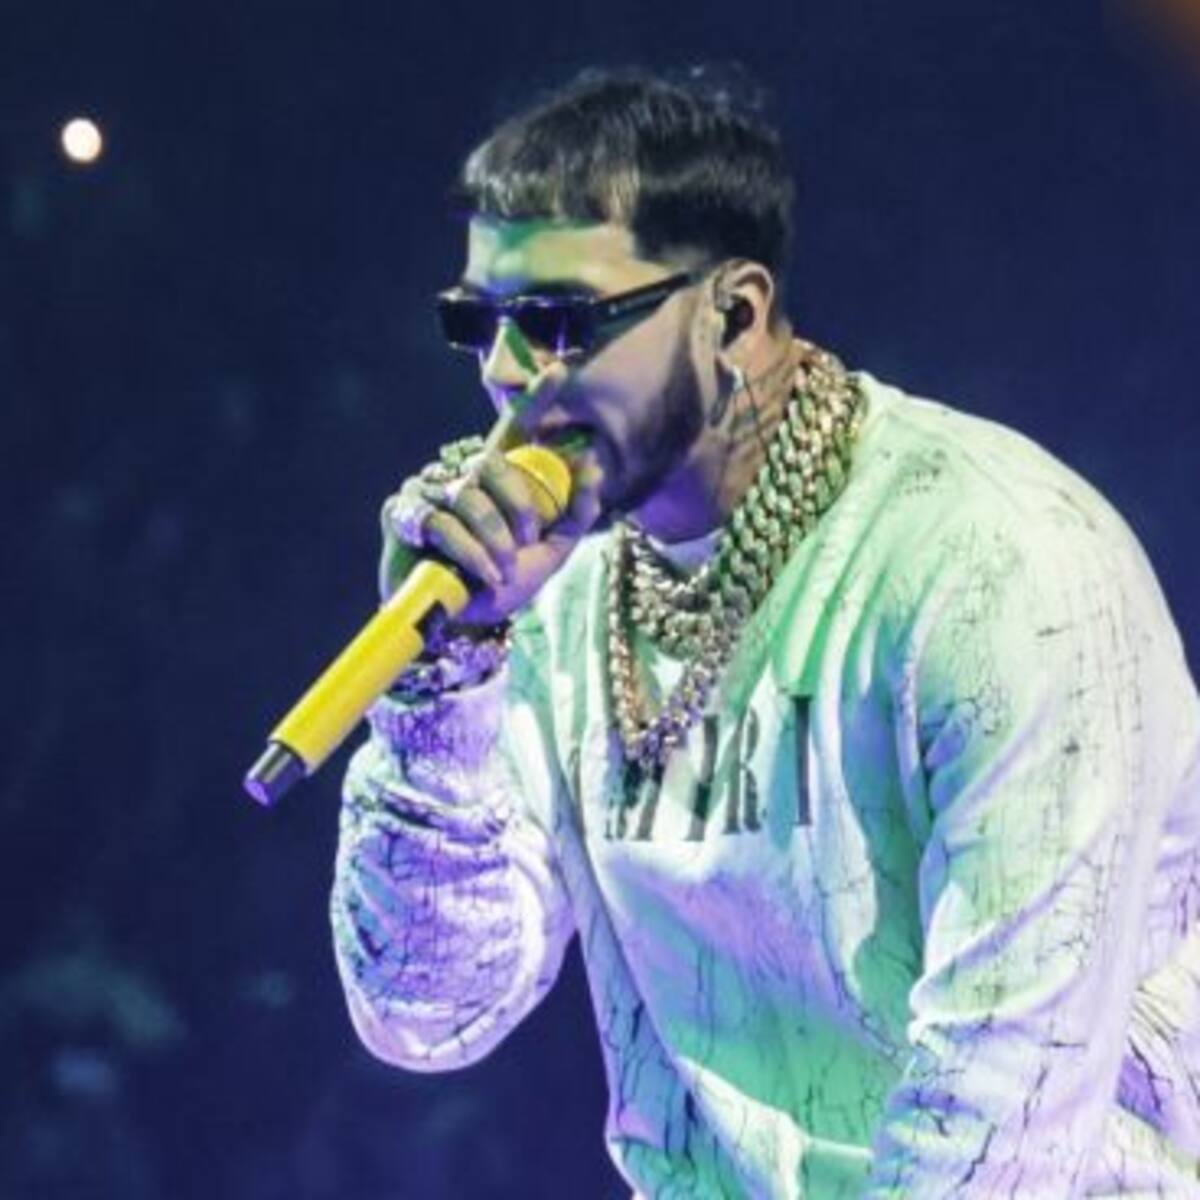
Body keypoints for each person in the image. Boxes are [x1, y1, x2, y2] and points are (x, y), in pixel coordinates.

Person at [329, 66, 1200, 1198]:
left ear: (733, 315)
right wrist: (443, 679)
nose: (503, 373)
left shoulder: (1000, 564)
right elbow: (426, 1010)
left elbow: (1002, 1124)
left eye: (555, 323)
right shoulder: (560, 590)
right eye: (476, 324)